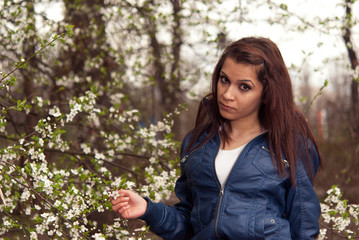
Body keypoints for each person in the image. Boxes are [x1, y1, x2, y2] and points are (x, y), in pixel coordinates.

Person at [111, 37, 323, 240]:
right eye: (224, 80)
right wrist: (149, 210)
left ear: (266, 93)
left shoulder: (290, 146)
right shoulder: (197, 144)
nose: (227, 94)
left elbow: (304, 230)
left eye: (244, 87)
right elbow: (188, 225)